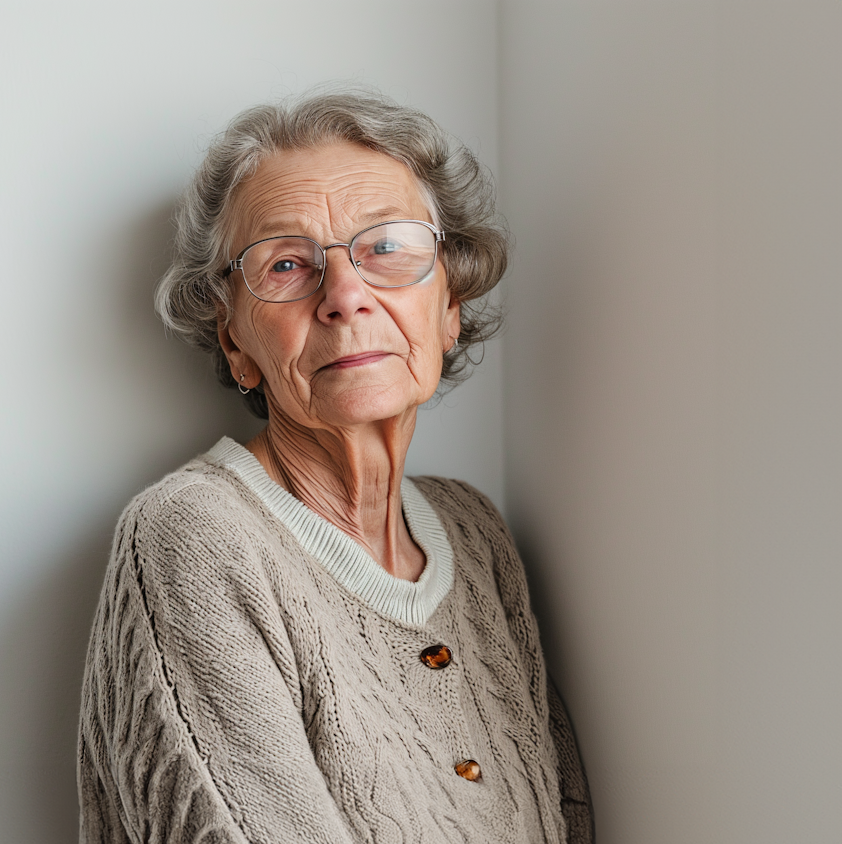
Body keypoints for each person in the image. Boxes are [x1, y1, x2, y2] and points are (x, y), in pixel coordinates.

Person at [76, 91, 591, 843]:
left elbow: (568, 814)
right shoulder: (194, 537)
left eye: (387, 248)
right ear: (234, 339)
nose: (346, 296)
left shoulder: (475, 532)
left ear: (450, 303)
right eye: (288, 264)